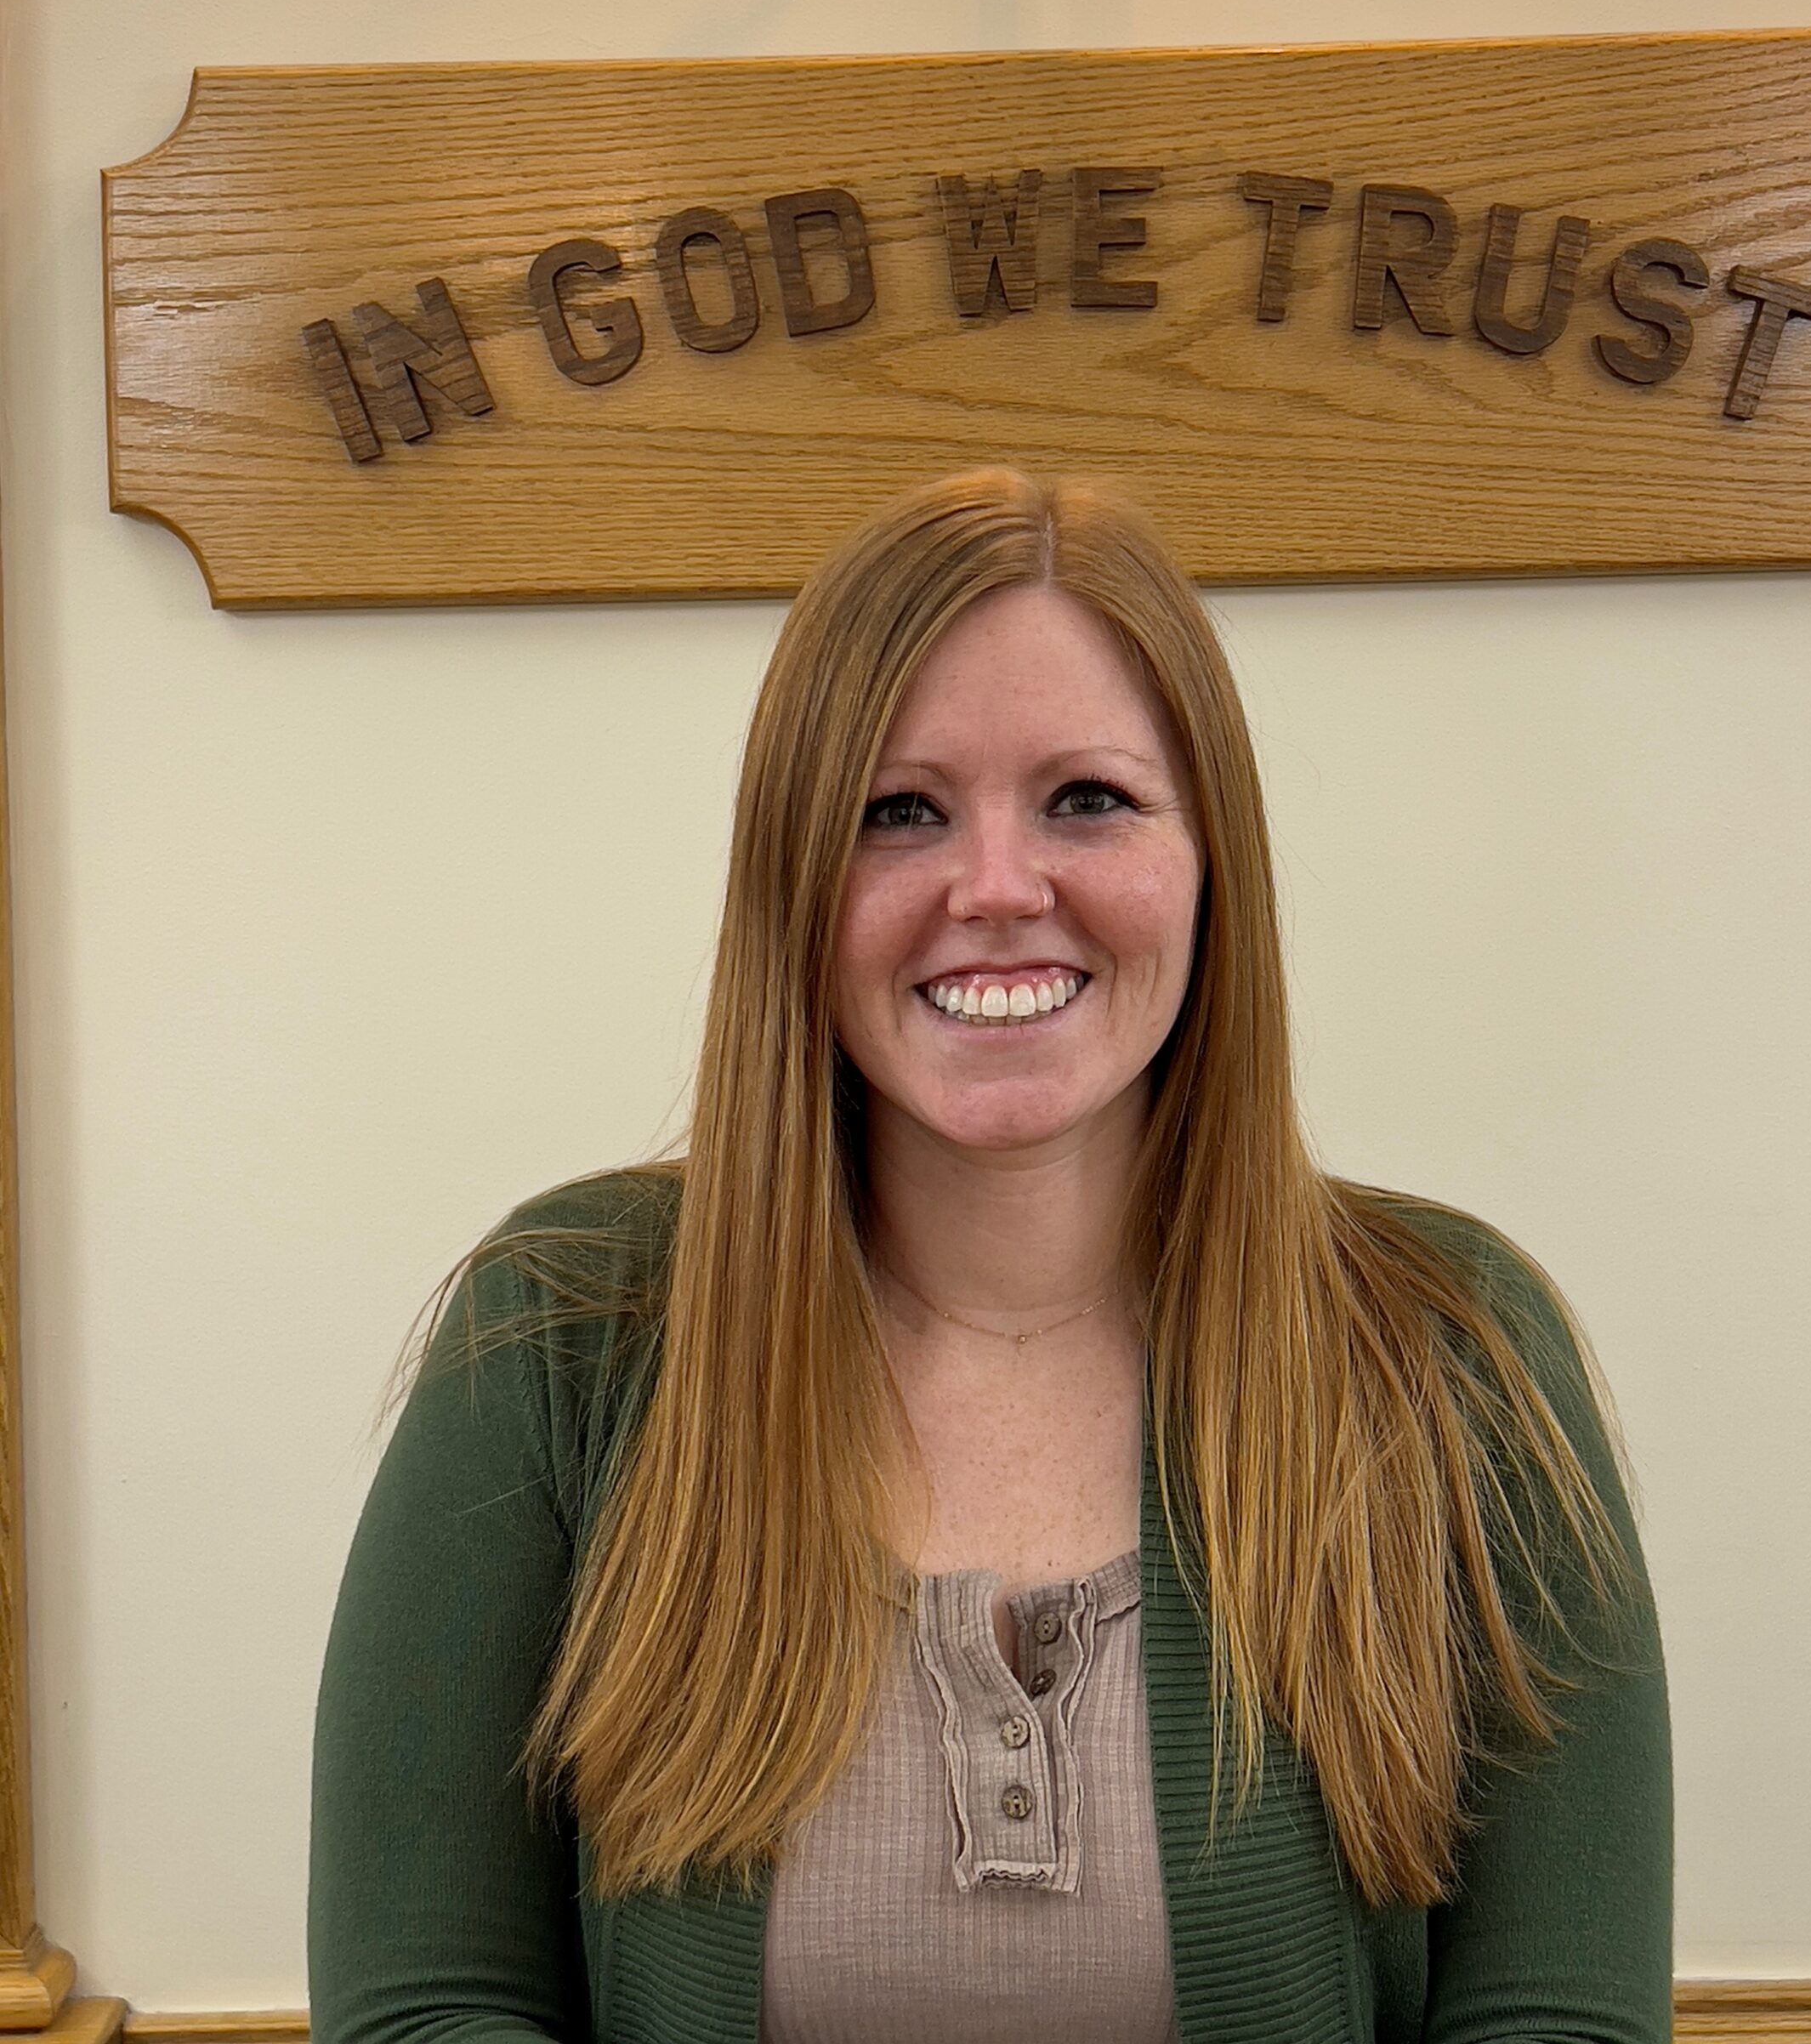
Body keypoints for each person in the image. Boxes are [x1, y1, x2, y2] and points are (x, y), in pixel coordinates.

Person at [308, 466, 1672, 2044]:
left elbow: (1559, 2024)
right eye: (901, 813)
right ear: (790, 883)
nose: (999, 890)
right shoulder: (558, 1338)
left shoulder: (1456, 1354)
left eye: (1087, 799)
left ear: (1208, 858)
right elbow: (426, 2011)